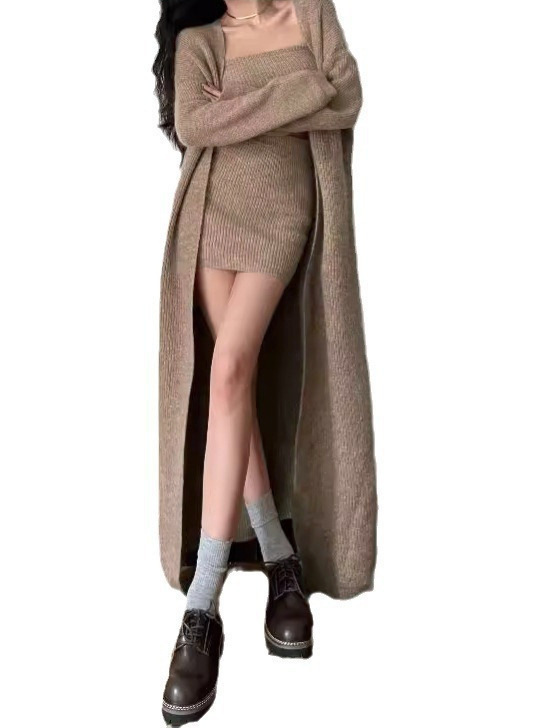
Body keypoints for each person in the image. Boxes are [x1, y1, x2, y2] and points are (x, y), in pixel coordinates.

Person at [153, 0, 378, 723]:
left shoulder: (311, 11)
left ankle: (207, 599)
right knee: (231, 380)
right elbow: (196, 125)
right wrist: (301, 92)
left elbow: (347, 94)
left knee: (231, 370)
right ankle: (274, 564)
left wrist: (251, 108)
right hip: (212, 213)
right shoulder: (200, 39)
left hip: (284, 211)